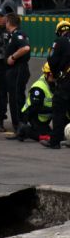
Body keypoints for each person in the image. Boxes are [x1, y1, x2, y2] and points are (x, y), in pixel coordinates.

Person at [42, 20, 70, 148]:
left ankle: (55, 141)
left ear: (59, 32)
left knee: (58, 110)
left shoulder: (59, 41)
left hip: (66, 81)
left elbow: (52, 61)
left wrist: (56, 74)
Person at [4, 13, 31, 136]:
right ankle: (19, 127)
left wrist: (13, 57)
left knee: (17, 99)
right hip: (14, 71)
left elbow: (25, 48)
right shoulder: (12, 36)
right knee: (14, 98)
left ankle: (20, 127)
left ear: (9, 22)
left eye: (6, 21)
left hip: (18, 70)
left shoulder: (18, 35)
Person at [15, 63, 55, 142]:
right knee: (47, 136)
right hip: (31, 115)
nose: (55, 76)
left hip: (44, 117)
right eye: (52, 74)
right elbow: (35, 108)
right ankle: (24, 129)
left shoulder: (55, 82)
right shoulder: (39, 88)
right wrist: (53, 109)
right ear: (46, 74)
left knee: (55, 134)